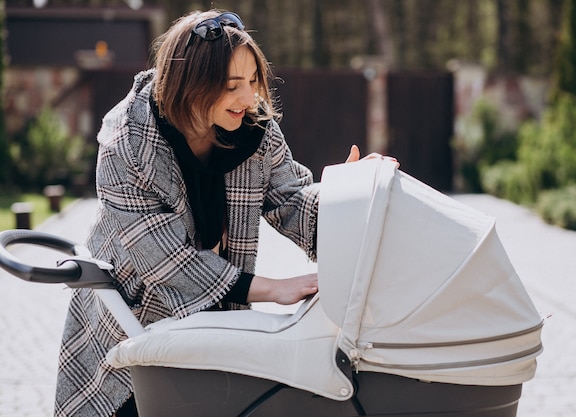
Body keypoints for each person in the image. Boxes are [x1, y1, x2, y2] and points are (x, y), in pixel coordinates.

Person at [54, 9, 394, 417]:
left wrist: (349, 196)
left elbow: (293, 200)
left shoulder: (254, 128)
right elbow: (166, 264)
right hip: (131, 314)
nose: (249, 98)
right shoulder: (126, 142)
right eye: (232, 86)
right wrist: (273, 288)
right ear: (189, 83)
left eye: (253, 82)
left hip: (214, 317)